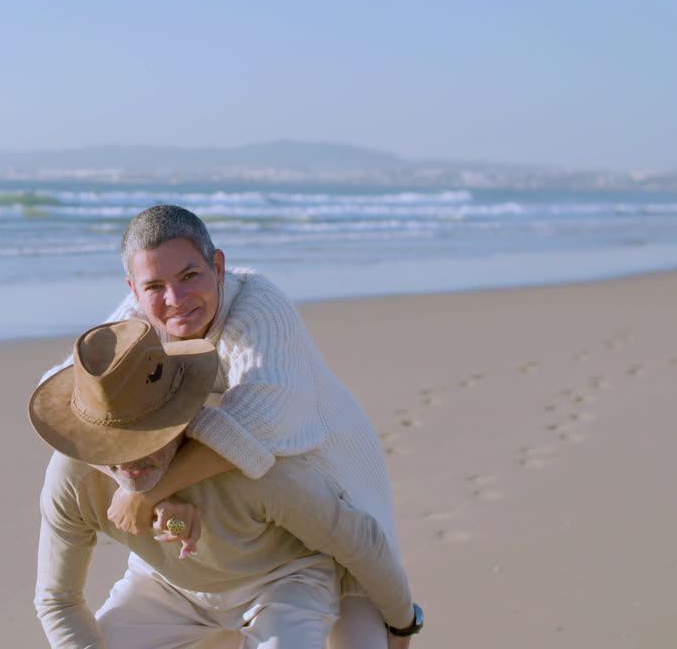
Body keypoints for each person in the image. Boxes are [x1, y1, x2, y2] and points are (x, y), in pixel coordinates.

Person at [40, 204, 414, 648]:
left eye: (190, 275)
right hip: (220, 514)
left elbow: (257, 422)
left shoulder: (259, 307)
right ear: (134, 290)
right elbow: (70, 403)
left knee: (368, 621)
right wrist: (134, 480)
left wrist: (149, 494)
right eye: (154, 286)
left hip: (325, 475)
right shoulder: (137, 324)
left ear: (218, 266)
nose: (175, 299)